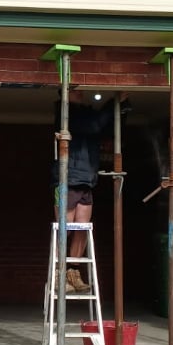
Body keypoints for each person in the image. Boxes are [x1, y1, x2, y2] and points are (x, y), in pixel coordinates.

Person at [50, 90, 120, 293]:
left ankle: (73, 271)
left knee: (83, 228)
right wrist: (111, 103)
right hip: (67, 179)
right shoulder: (67, 114)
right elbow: (94, 125)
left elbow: (102, 128)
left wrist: (120, 110)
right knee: (66, 228)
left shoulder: (85, 113)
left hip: (86, 180)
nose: (80, 93)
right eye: (74, 90)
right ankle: (58, 272)